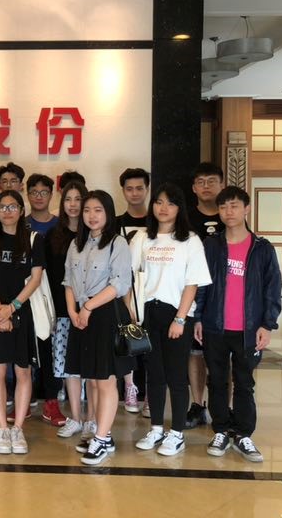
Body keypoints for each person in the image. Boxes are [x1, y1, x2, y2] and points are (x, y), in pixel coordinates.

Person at [195, 186, 281, 462]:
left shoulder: (262, 248)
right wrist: (198, 318)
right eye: (223, 207)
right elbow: (201, 284)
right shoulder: (211, 245)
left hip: (249, 329)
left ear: (247, 209)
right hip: (215, 326)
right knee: (217, 381)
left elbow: (272, 289)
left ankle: (243, 434)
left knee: (244, 382)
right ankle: (221, 430)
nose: (228, 212)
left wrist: (267, 324)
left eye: (234, 206)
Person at [131, 183, 212, 457]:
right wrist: (132, 311)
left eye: (171, 203)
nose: (163, 208)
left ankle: (176, 433)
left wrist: (180, 318)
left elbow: (193, 283)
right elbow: (129, 276)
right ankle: (156, 428)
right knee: (154, 375)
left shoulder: (190, 240)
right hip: (148, 314)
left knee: (177, 376)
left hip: (176, 315)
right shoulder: (142, 238)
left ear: (180, 208)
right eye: (159, 202)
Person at [64, 190, 134, 465]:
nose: (91, 216)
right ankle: (102, 433)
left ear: (108, 213)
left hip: (105, 314)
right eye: (87, 210)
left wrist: (88, 307)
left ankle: (102, 438)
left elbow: (119, 284)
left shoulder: (118, 243)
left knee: (106, 380)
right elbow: (68, 281)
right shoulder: (76, 243)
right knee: (92, 379)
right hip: (82, 316)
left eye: (98, 210)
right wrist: (73, 311)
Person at [0, 191, 44, 454]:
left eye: (12, 206)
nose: (7, 211)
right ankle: (3, 428)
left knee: (23, 371)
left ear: (21, 210)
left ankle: (18, 429)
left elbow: (36, 279)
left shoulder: (33, 239)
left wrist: (12, 308)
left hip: (22, 312)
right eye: (2, 207)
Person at [47, 180, 88, 439]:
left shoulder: (95, 234)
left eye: (78, 199)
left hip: (91, 311)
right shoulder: (53, 236)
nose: (73, 205)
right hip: (63, 311)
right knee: (68, 365)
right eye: (68, 199)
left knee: (92, 368)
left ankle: (92, 419)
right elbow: (51, 278)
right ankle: (75, 417)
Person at [186, 162, 225, 429]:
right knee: (195, 352)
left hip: (223, 295)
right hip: (192, 294)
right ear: (193, 188)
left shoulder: (229, 215)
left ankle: (223, 407)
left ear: (221, 185)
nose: (206, 186)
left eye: (212, 181)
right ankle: (197, 404)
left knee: (223, 355)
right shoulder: (186, 219)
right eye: (201, 182)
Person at [24, 173, 63, 427]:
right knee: (25, 349)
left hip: (55, 294)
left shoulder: (60, 226)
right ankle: (24, 400)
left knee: (50, 349)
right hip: (26, 293)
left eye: (44, 192)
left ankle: (51, 401)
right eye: (34, 192)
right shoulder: (21, 224)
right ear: (27, 195)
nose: (39, 197)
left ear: (51, 195)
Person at [116, 167, 152, 416]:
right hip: (124, 291)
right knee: (128, 339)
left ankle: (150, 395)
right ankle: (130, 388)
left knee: (152, 345)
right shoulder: (116, 223)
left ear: (147, 189)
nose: (135, 193)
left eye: (140, 188)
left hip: (152, 291)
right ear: (123, 191)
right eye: (129, 189)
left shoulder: (157, 222)